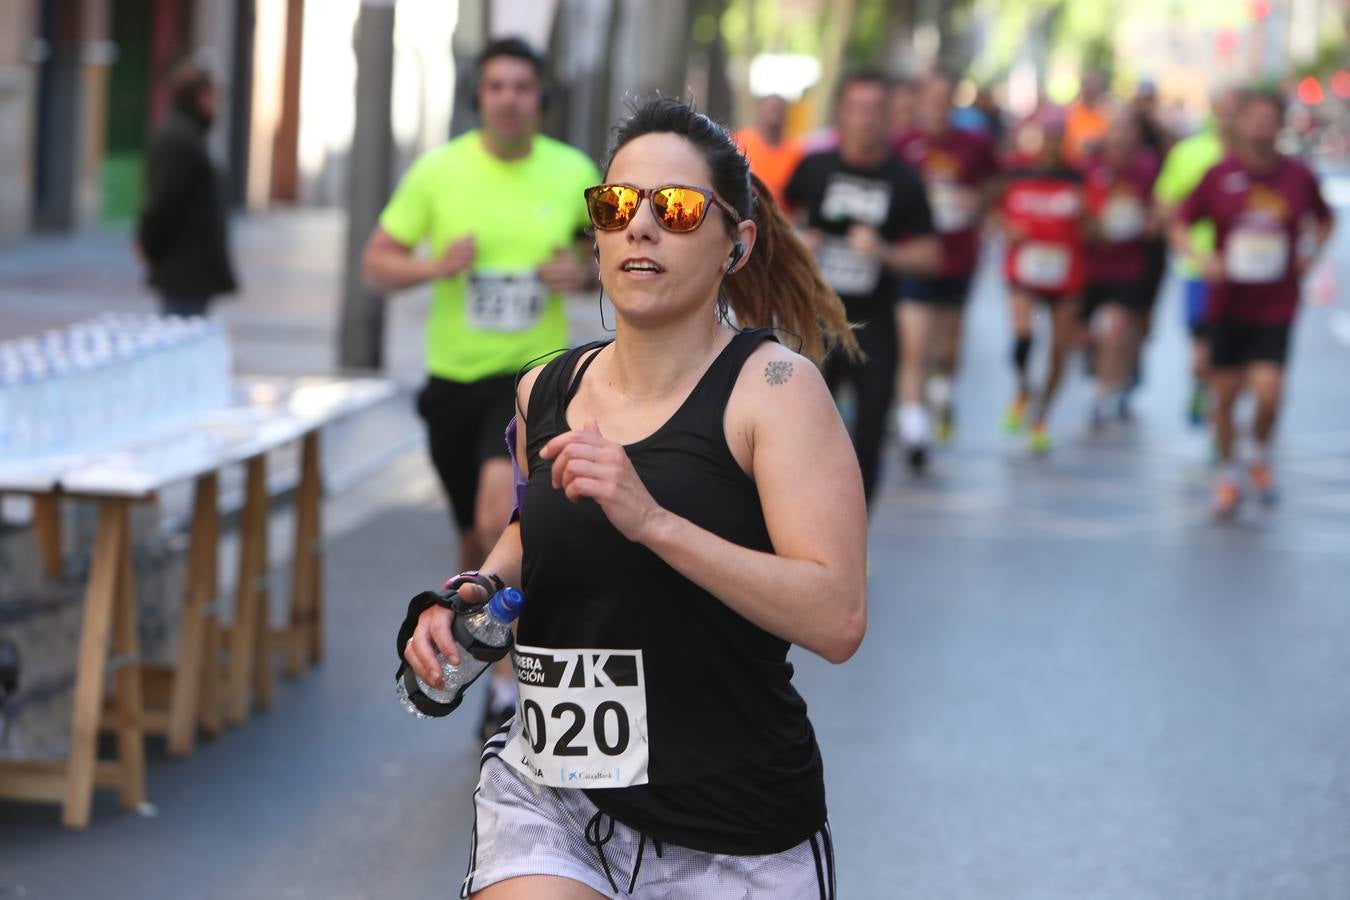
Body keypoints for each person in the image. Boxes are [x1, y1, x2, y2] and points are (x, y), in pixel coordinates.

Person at [401, 96, 865, 898]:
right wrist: (464, 599)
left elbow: (836, 618)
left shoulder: (777, 393)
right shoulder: (546, 388)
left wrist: (652, 521)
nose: (640, 227)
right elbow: (530, 540)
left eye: (677, 209)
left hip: (734, 829)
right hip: (554, 797)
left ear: (737, 242)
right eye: (616, 205)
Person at [363, 37, 600, 740]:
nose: (508, 98)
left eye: (522, 86)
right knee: (474, 531)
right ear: (479, 98)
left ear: (540, 99)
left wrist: (583, 273)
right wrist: (435, 266)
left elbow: (614, 253)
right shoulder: (439, 172)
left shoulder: (573, 171)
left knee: (503, 510)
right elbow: (378, 263)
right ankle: (480, 631)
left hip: (534, 378)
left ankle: (502, 681)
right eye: (496, 86)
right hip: (454, 383)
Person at [1170, 87, 1334, 519]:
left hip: (1276, 302)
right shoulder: (1220, 175)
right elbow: (1181, 223)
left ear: (1281, 125)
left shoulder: (1299, 176)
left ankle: (1257, 451)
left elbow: (1326, 219)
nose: (1261, 126)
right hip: (1227, 302)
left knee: (1269, 392)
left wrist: (1310, 253)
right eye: (1253, 118)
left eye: (1269, 118)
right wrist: (1203, 258)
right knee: (1223, 397)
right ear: (1240, 125)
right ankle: (1227, 474)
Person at [785, 70, 940, 504]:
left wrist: (884, 252)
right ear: (842, 113)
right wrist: (800, 238)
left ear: (890, 115)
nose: (866, 119)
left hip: (875, 326)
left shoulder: (905, 180)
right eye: (857, 109)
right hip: (815, 323)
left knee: (868, 440)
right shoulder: (815, 168)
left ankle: (855, 542)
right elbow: (775, 221)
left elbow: (931, 255)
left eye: (875, 110)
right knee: (803, 436)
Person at [893, 71, 1001, 469]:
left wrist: (977, 200)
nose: (938, 105)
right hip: (916, 256)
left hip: (958, 256)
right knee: (915, 346)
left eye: (945, 97)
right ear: (921, 99)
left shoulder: (974, 144)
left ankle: (941, 390)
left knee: (948, 348)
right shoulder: (903, 144)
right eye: (931, 97)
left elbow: (996, 182)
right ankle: (914, 430)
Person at [997, 108, 1090, 454]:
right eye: (1044, 137)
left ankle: (1042, 416)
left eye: (1056, 138)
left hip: (1066, 274)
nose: (1050, 145)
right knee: (1023, 337)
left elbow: (1095, 231)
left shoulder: (1078, 178)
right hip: (1024, 270)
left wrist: (1085, 215)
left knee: (1059, 350)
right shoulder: (1016, 171)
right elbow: (995, 212)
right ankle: (1023, 388)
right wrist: (1007, 229)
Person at [1154, 86, 1240, 426]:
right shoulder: (1189, 153)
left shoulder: (1261, 159)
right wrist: (1182, 242)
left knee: (1242, 355)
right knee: (1204, 351)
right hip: (1201, 268)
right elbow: (1167, 203)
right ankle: (1205, 394)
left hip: (1250, 275)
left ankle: (1225, 420)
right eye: (1226, 108)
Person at [136, 59, 237, 317]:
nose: (218, 105)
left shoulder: (191, 135)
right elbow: (163, 199)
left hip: (191, 264)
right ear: (199, 97)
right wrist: (148, 241)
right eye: (214, 97)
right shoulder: (180, 138)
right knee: (179, 333)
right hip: (183, 264)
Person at [1080, 112, 1160, 428]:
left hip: (1131, 265)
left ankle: (1103, 393)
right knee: (1088, 335)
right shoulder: (1091, 168)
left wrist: (1151, 220)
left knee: (1118, 330)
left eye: (1128, 132)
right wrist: (1091, 226)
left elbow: (1162, 205)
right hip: (1092, 264)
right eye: (1117, 132)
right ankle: (1106, 374)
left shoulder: (1149, 167)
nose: (1122, 140)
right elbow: (1078, 205)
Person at [733, 94, 803, 207]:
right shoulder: (739, 142)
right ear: (758, 110)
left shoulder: (797, 152)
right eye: (770, 109)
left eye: (779, 110)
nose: (774, 114)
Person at [1064, 69, 1115, 165]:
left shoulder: (1108, 113)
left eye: (1093, 84)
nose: (1090, 88)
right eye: (1087, 83)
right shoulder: (1070, 113)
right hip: (1073, 165)